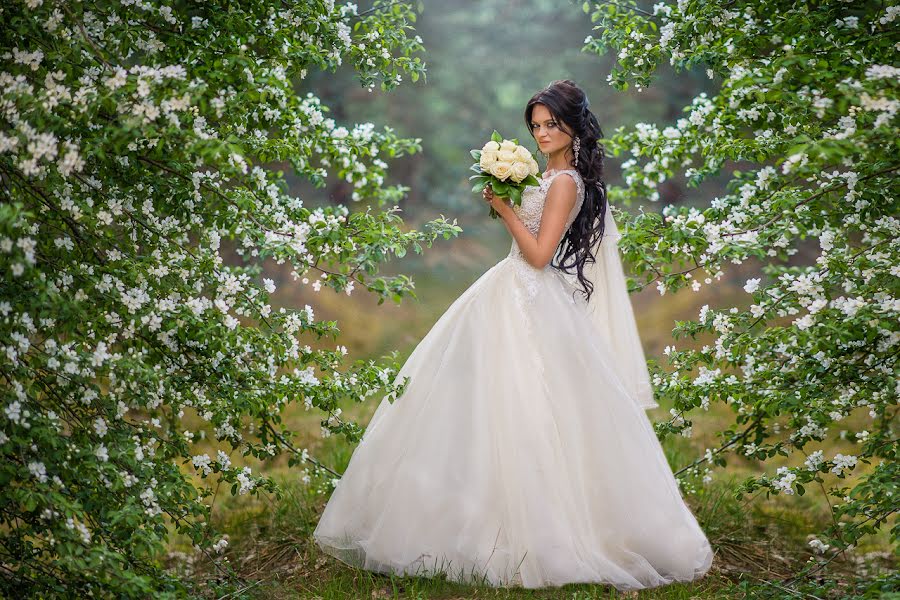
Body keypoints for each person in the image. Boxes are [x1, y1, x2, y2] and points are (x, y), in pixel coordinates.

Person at [312, 79, 714, 592]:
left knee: (530, 407)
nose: (542, 134)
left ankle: (543, 531)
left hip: (531, 296)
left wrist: (504, 210)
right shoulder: (546, 173)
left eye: (551, 125)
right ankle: (466, 513)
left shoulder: (566, 180)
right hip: (507, 292)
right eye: (536, 126)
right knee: (477, 405)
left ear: (574, 128)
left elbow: (541, 255)